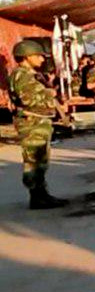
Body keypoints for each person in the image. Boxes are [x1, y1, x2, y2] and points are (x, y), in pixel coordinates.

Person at [8, 41, 68, 209]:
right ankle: (37, 197)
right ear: (27, 57)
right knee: (34, 160)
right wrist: (50, 95)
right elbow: (28, 100)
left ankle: (41, 195)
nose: (42, 59)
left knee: (40, 160)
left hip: (38, 121)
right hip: (32, 122)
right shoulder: (23, 75)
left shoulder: (30, 74)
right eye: (38, 56)